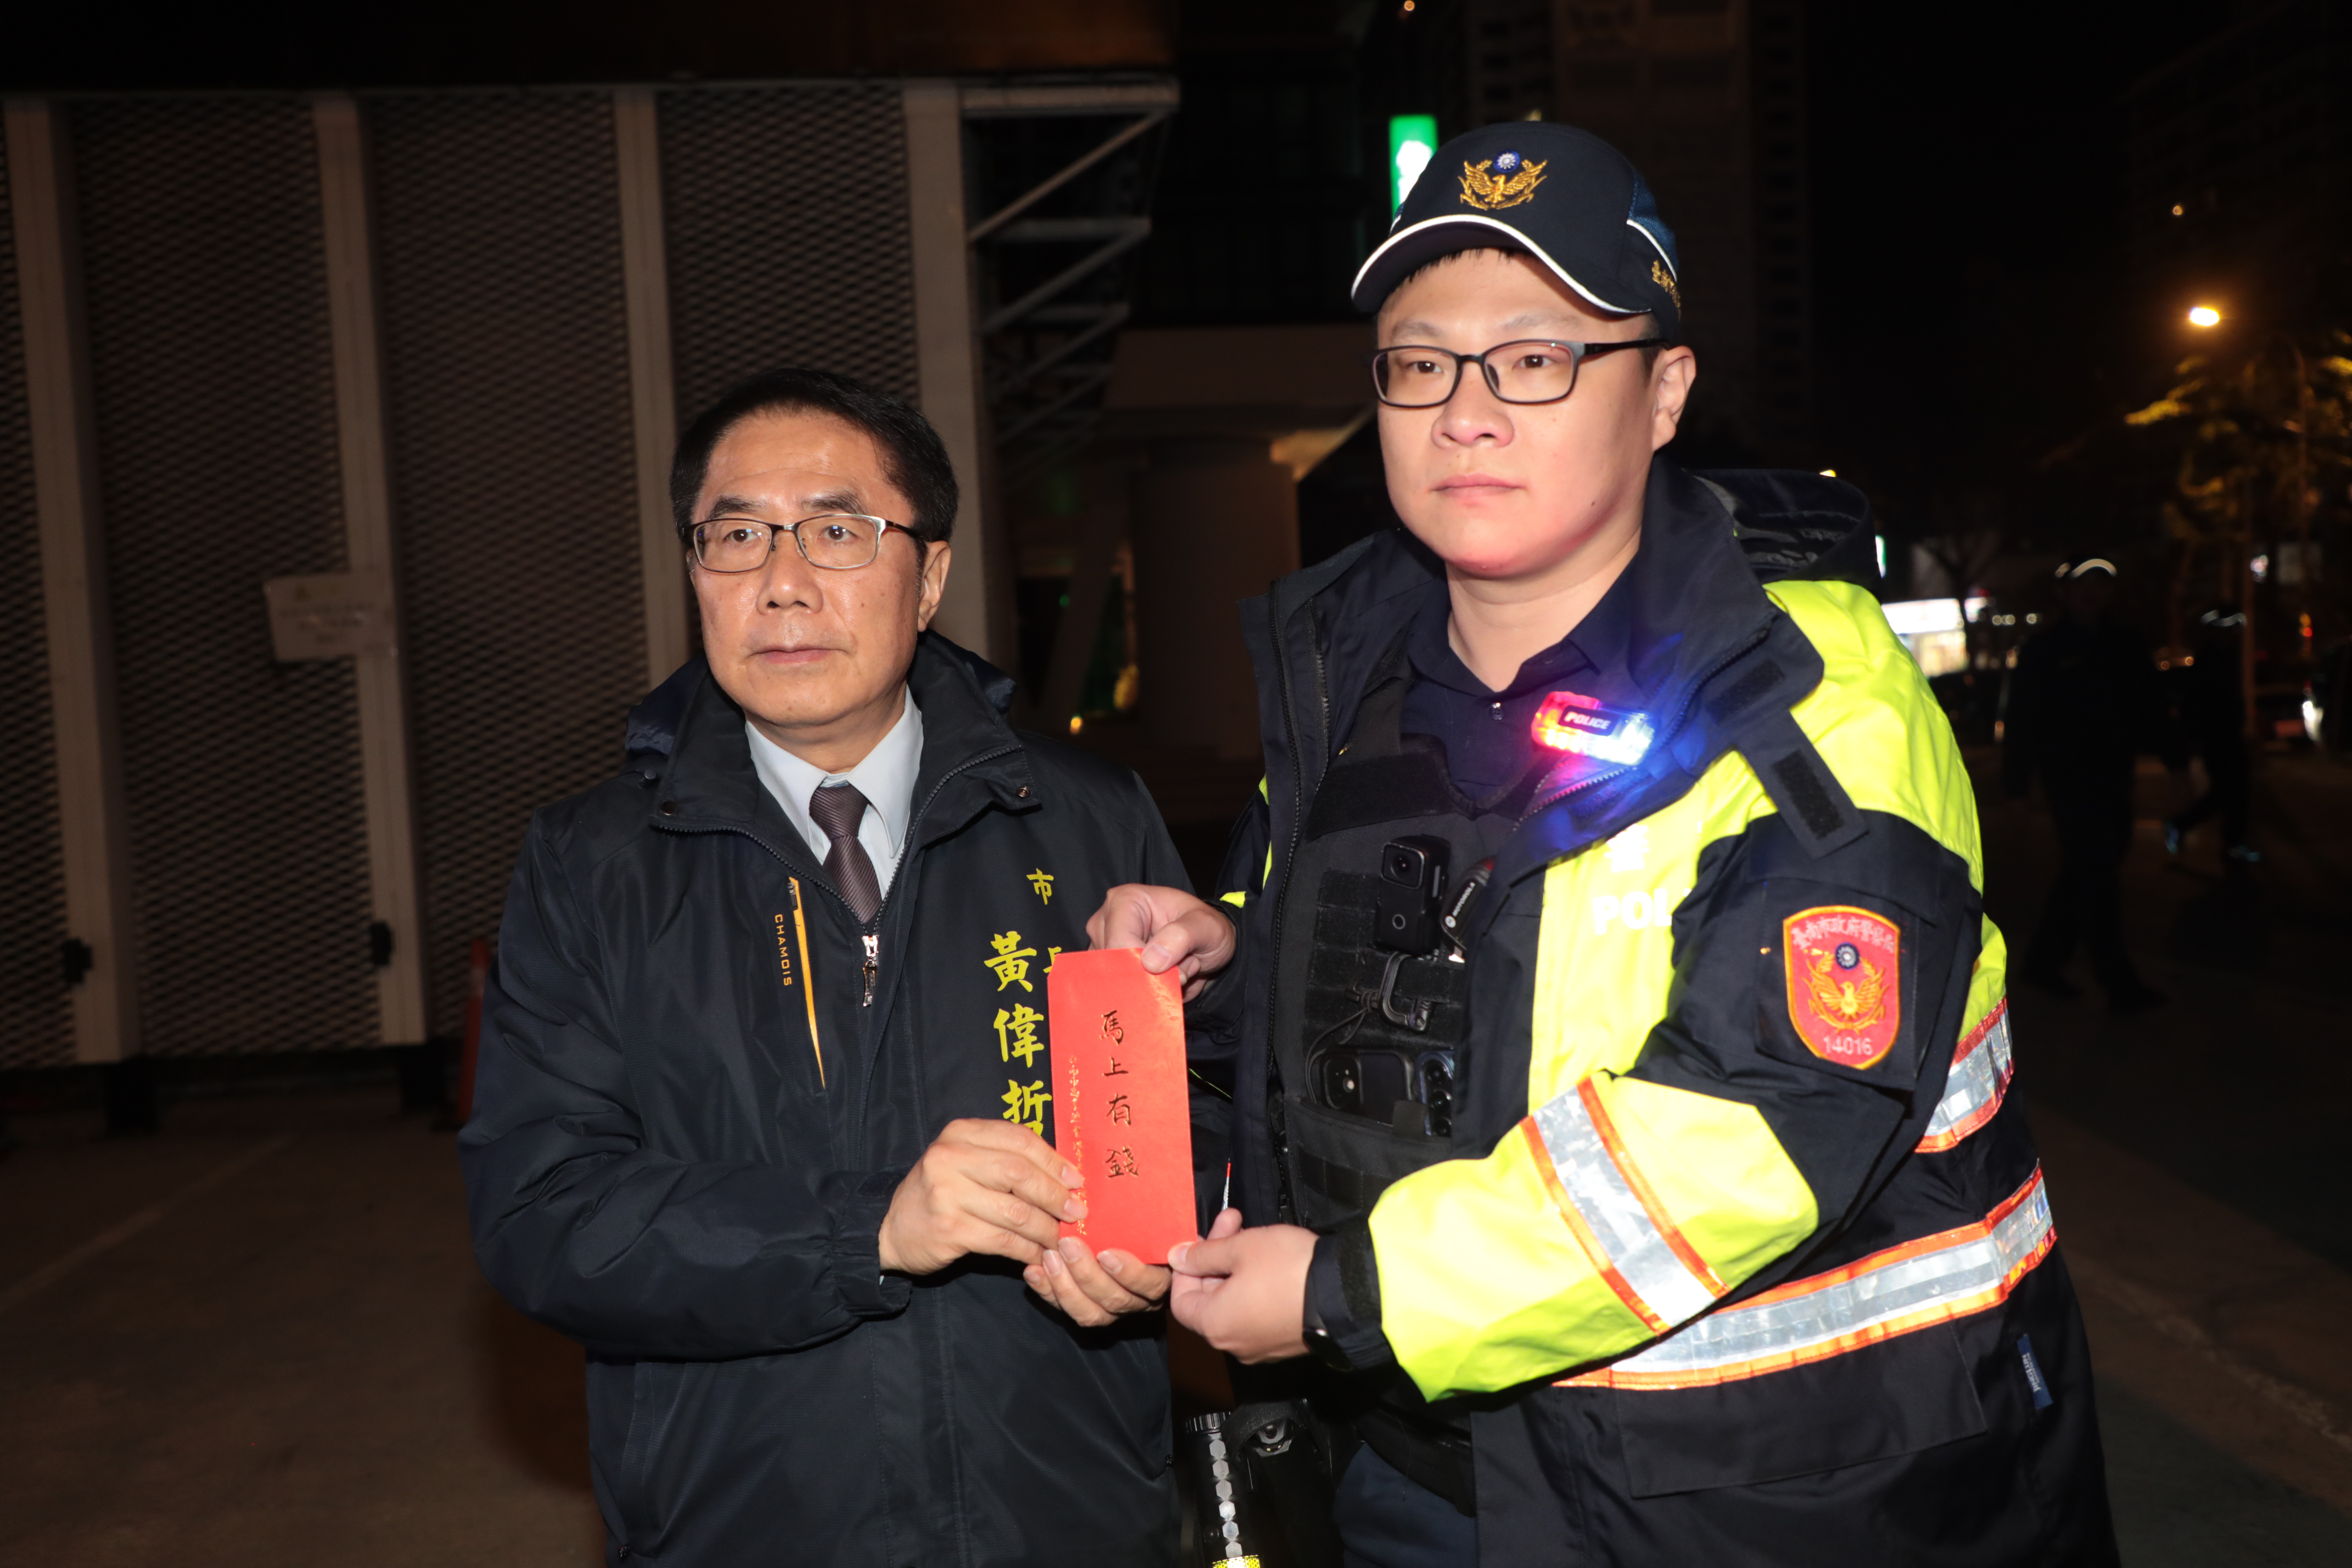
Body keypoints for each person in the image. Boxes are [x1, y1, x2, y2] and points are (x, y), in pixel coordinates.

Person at [1091, 122, 2117, 1565]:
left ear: (1664, 392)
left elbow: (1746, 1127)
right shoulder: (1350, 683)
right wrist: (1230, 964)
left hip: (1776, 1500)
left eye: (1536, 358)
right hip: (1408, 1470)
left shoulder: (1806, 704)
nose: (1466, 411)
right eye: (1419, 360)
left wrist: (1346, 1292)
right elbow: (1452, 989)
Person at [459, 368, 1192, 1566]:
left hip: (1063, 1512)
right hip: (742, 1521)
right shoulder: (593, 865)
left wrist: (1162, 1238)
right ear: (695, 573)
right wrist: (869, 1231)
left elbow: (1210, 1134)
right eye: (737, 536)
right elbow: (542, 1217)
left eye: (840, 532)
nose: (784, 583)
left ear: (933, 575)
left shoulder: (1087, 820)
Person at [2003, 558, 2168, 1011]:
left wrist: (2178, 760)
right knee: (2096, 876)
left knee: (2089, 871)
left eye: (2100, 584)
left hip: (2115, 776)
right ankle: (2119, 982)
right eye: (2082, 585)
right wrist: (2016, 787)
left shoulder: (2127, 644)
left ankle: (2042, 963)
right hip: (2069, 781)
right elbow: (2021, 722)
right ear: (2064, 594)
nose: (2091, 593)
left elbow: (2151, 707)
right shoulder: (2044, 650)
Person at [2164, 605, 2255, 867]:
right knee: (2231, 792)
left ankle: (2230, 845)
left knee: (2233, 793)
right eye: (2225, 629)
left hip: (2227, 736)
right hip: (2218, 739)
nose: (2231, 634)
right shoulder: (2209, 662)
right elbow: (2199, 705)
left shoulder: (2226, 658)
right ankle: (2194, 830)